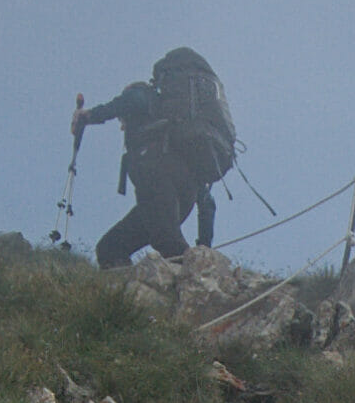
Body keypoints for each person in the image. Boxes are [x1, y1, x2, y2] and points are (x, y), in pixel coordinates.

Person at [71, 46, 239, 267]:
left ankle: (198, 283)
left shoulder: (143, 95)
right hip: (183, 197)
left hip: (156, 173)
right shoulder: (180, 135)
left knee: (167, 242)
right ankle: (133, 296)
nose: (122, 126)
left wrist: (89, 115)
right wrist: (204, 246)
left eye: (123, 119)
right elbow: (206, 201)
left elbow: (130, 102)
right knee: (110, 248)